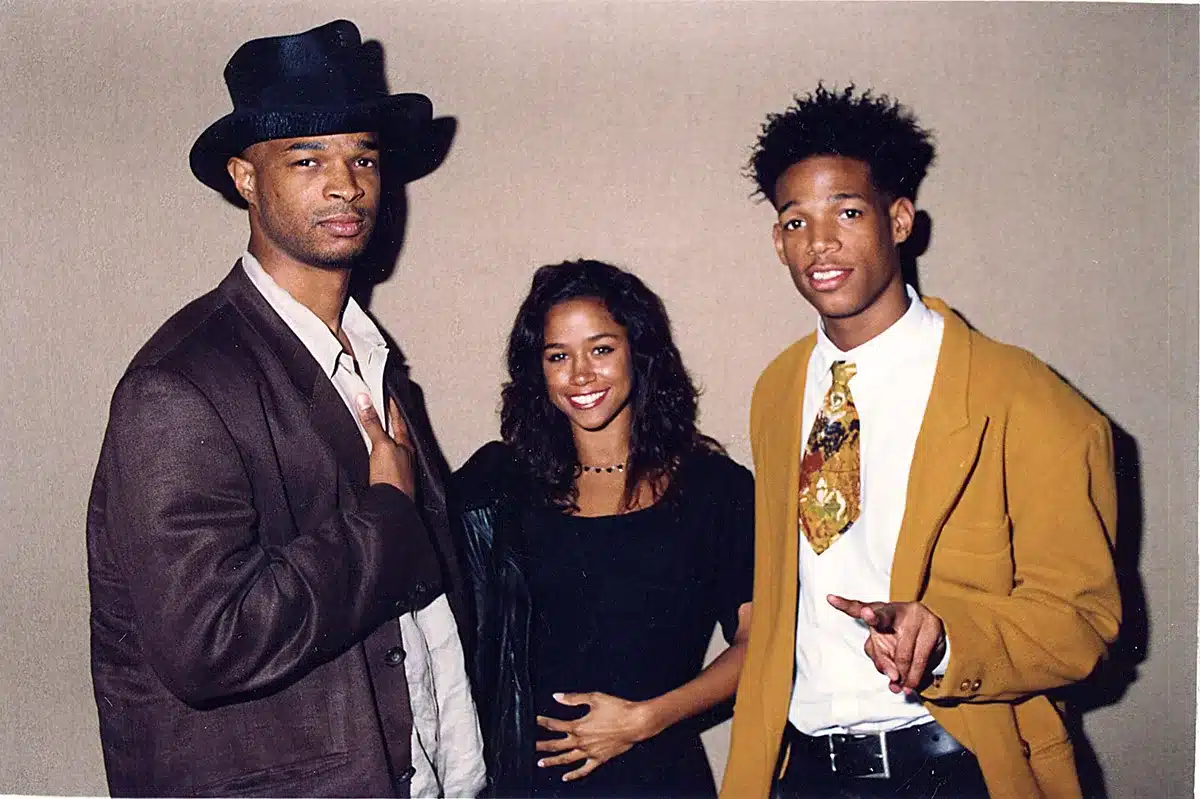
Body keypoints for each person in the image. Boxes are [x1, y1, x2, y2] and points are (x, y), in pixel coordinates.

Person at [86, 20, 484, 797]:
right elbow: (209, 641)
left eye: (363, 157)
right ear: (244, 177)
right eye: (308, 159)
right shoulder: (179, 385)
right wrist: (385, 514)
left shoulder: (374, 362)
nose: (346, 184)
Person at [722, 85, 1121, 799]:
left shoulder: (1026, 399)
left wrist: (945, 639)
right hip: (802, 770)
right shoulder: (778, 390)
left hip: (954, 766)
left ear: (900, 220)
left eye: (848, 212)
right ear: (778, 240)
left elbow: (1082, 620)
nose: (820, 242)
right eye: (796, 220)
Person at [454, 260, 755, 798]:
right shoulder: (500, 485)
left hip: (660, 777)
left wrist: (645, 720)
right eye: (558, 356)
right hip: (529, 784)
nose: (580, 375)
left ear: (638, 351)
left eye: (601, 349)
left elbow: (760, 644)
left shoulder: (715, 488)